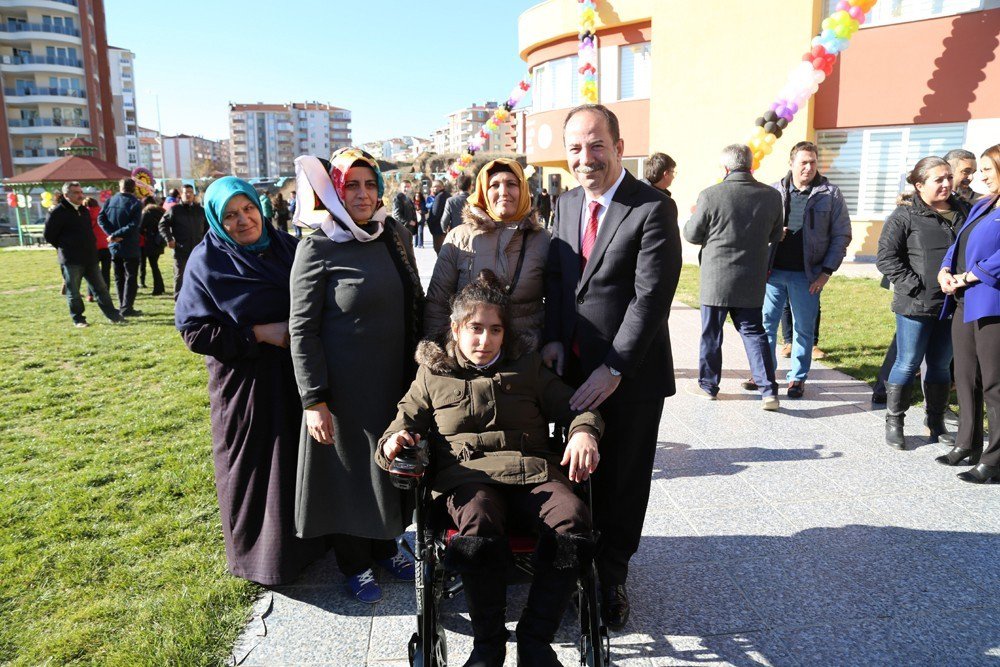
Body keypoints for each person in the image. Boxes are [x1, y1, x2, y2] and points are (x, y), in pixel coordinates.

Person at [378, 270, 603, 666]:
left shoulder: (527, 367)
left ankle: (535, 640)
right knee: (479, 520)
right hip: (467, 481)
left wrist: (584, 431)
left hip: (532, 474)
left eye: (495, 330)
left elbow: (578, 406)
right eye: (475, 328)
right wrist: (395, 442)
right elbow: (401, 425)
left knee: (573, 520)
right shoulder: (432, 374)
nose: (485, 340)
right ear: (456, 327)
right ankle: (489, 645)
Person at [543, 104, 681, 631]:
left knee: (623, 478)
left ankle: (612, 574)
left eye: (596, 145)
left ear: (619, 147)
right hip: (574, 369)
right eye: (575, 147)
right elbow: (560, 282)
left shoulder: (651, 207)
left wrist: (615, 368)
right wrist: (556, 339)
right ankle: (576, 557)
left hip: (632, 376)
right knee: (577, 472)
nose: (586, 158)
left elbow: (650, 300)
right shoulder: (565, 203)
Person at [288, 148, 424, 603]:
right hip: (342, 390)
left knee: (389, 465)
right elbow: (301, 328)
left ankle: (385, 547)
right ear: (334, 191)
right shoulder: (318, 244)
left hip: (395, 381)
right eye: (352, 185)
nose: (363, 195)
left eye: (370, 185)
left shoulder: (393, 234)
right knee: (347, 473)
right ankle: (354, 562)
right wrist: (314, 400)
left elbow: (415, 299)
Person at [175, 176, 325, 585]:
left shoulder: (288, 248)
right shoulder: (207, 262)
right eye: (230, 215)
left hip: (296, 377)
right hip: (245, 384)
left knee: (297, 461)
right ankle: (263, 560)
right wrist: (257, 333)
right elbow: (193, 330)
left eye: (247, 210)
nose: (243, 221)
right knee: (255, 467)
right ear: (216, 220)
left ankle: (310, 545)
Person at [876, 156, 969, 449]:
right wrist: (915, 287)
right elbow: (886, 258)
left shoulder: (964, 211)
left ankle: (936, 421)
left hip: (953, 303)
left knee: (941, 365)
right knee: (907, 363)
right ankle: (895, 421)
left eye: (947, 178)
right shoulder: (904, 216)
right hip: (916, 305)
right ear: (919, 185)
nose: (946, 184)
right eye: (938, 179)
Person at [684, 144, 784, 409]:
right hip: (751, 280)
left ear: (726, 168)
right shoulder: (772, 196)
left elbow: (692, 235)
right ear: (750, 166)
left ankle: (708, 386)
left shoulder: (710, 195)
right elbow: (776, 235)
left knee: (711, 334)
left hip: (716, 280)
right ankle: (768, 391)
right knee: (754, 333)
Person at [758, 141, 851, 398]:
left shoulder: (830, 194)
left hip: (807, 275)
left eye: (813, 162)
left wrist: (826, 272)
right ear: (791, 164)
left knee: (803, 328)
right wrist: (773, 234)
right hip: (772, 273)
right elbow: (756, 230)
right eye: (803, 162)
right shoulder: (772, 192)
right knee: (766, 325)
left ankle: (797, 378)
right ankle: (764, 375)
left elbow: (841, 235)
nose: (809, 167)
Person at [425, 158, 549, 347]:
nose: (503, 192)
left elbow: (558, 302)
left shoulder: (542, 240)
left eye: (511, 184)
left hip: (527, 358)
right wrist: (440, 349)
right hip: (470, 357)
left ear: (523, 189)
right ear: (483, 191)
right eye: (494, 185)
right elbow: (437, 303)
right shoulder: (458, 238)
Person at [937, 144, 1000, 483]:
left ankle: (994, 460)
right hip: (963, 300)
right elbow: (958, 241)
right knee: (965, 376)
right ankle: (967, 443)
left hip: (992, 303)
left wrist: (969, 275)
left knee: (994, 384)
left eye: (988, 169)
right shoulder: (984, 204)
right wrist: (945, 269)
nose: (981, 175)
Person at [44, 181, 123, 327]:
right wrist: (65, 247)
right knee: (74, 291)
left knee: (101, 288)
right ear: (66, 195)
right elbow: (49, 235)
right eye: (76, 193)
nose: (80, 195)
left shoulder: (84, 210)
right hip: (71, 259)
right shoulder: (58, 212)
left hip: (90, 257)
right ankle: (78, 319)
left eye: (81, 192)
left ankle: (113, 315)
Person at [98, 177, 143, 317]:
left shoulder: (110, 201)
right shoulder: (135, 203)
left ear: (120, 187)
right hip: (129, 244)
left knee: (119, 276)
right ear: (133, 188)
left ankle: (122, 304)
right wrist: (115, 234)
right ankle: (127, 306)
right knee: (131, 276)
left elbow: (101, 218)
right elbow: (133, 224)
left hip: (114, 245)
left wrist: (111, 234)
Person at [159, 183, 208, 299]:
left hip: (198, 250)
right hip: (181, 249)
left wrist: (206, 243)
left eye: (190, 192)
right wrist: (169, 239)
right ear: (181, 195)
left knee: (199, 276)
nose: (188, 195)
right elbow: (162, 225)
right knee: (180, 277)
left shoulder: (201, 211)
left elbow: (207, 228)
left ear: (194, 194)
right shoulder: (175, 210)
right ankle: (179, 301)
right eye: (186, 193)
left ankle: (198, 300)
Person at [84, 196, 111, 303]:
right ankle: (106, 292)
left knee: (91, 273)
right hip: (106, 246)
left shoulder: (84, 215)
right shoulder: (103, 213)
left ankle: (90, 294)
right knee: (106, 272)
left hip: (92, 247)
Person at [139, 196, 166, 295]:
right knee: (155, 265)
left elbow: (140, 228)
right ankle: (160, 287)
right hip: (160, 241)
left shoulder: (147, 213)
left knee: (154, 266)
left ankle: (158, 289)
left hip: (150, 241)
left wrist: (146, 231)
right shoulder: (161, 211)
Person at [392, 179, 419, 245]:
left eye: (408, 187)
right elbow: (397, 215)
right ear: (401, 188)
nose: (406, 189)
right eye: (405, 187)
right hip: (402, 229)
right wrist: (409, 221)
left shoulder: (408, 198)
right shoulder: (398, 198)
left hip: (409, 230)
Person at [426, 179, 449, 253]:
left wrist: (429, 222)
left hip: (438, 230)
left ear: (442, 187)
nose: (435, 188)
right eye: (433, 187)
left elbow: (435, 214)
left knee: (439, 252)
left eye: (437, 186)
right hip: (446, 229)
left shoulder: (439, 197)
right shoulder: (447, 195)